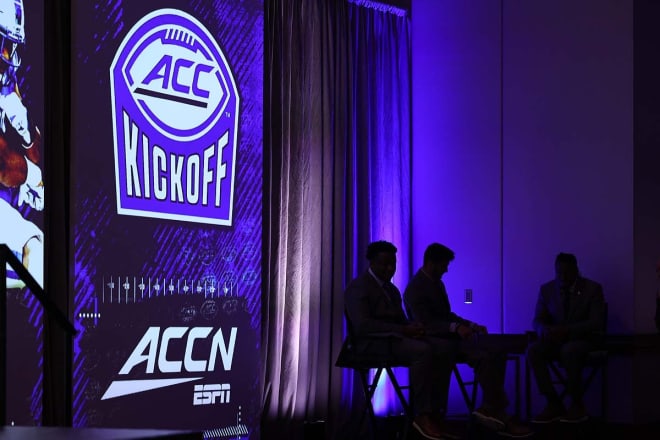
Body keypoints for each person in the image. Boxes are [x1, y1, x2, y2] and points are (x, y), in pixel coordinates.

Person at [404, 242, 532, 438]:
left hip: (449, 339)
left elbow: (447, 315)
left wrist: (470, 325)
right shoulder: (415, 288)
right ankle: (496, 410)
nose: (446, 269)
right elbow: (425, 323)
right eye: (444, 265)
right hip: (438, 342)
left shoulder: (436, 283)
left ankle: (492, 407)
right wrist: (456, 328)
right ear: (432, 263)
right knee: (485, 356)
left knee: (496, 351)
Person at [344, 240, 454, 440]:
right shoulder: (358, 286)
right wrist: (402, 329)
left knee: (444, 347)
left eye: (392, 264)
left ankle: (437, 412)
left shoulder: (392, 290)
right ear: (372, 263)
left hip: (393, 339)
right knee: (423, 351)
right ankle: (422, 414)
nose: (390, 268)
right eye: (385, 264)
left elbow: (401, 321)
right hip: (370, 344)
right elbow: (362, 326)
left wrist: (413, 329)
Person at [527, 252, 605, 423]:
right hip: (556, 341)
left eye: (566, 272)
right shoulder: (547, 290)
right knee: (533, 350)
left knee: (570, 350)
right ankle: (553, 402)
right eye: (558, 272)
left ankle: (577, 403)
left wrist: (568, 330)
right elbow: (537, 320)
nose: (561, 277)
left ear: (576, 270)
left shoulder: (592, 289)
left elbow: (597, 322)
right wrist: (544, 330)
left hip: (584, 341)